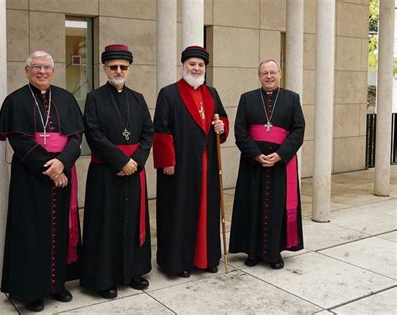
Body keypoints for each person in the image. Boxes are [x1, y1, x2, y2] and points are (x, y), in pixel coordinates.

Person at [0, 50, 84, 312]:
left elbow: (77, 138)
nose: (42, 71)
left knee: (60, 231)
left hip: (62, 174)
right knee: (31, 232)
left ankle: (57, 285)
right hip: (30, 177)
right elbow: (18, 140)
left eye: (46, 67)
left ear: (53, 71)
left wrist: (62, 164)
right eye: (36, 67)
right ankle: (32, 290)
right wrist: (51, 168)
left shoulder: (66, 99)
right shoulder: (15, 100)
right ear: (26, 71)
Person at [80, 44, 153, 299]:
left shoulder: (138, 98)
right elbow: (93, 134)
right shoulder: (94, 98)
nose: (118, 71)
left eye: (123, 67)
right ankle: (104, 278)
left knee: (132, 221)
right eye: (113, 67)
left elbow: (148, 133)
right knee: (105, 224)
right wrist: (121, 161)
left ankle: (132, 272)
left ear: (129, 69)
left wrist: (136, 161)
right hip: (105, 173)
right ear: (104, 69)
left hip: (134, 171)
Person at [153, 46, 229, 278]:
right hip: (180, 166)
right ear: (183, 66)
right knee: (180, 212)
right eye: (192, 64)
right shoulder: (169, 93)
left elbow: (222, 119)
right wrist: (167, 160)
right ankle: (179, 262)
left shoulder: (212, 93)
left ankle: (206, 258)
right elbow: (161, 130)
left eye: (200, 65)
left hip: (206, 165)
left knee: (207, 211)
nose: (196, 68)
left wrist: (221, 126)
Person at [228, 59, 305, 270]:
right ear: (259, 76)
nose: (269, 76)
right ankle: (252, 252)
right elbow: (240, 131)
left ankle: (274, 253)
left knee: (277, 208)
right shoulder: (247, 99)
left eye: (272, 72)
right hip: (253, 164)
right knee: (252, 205)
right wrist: (255, 154)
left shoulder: (291, 99)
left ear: (280, 74)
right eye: (264, 73)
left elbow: (298, 130)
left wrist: (281, 154)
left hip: (280, 166)